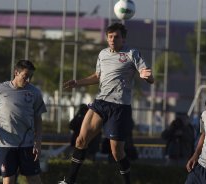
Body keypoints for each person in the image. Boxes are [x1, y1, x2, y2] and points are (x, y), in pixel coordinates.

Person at [59, 22, 154, 184]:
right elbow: (97, 76)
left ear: (123, 39)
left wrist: (148, 77)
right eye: (110, 36)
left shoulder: (132, 53)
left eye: (116, 37)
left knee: (117, 152)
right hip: (100, 103)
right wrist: (78, 82)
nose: (112, 39)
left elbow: (147, 76)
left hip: (119, 108)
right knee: (80, 140)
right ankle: (69, 181)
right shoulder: (103, 54)